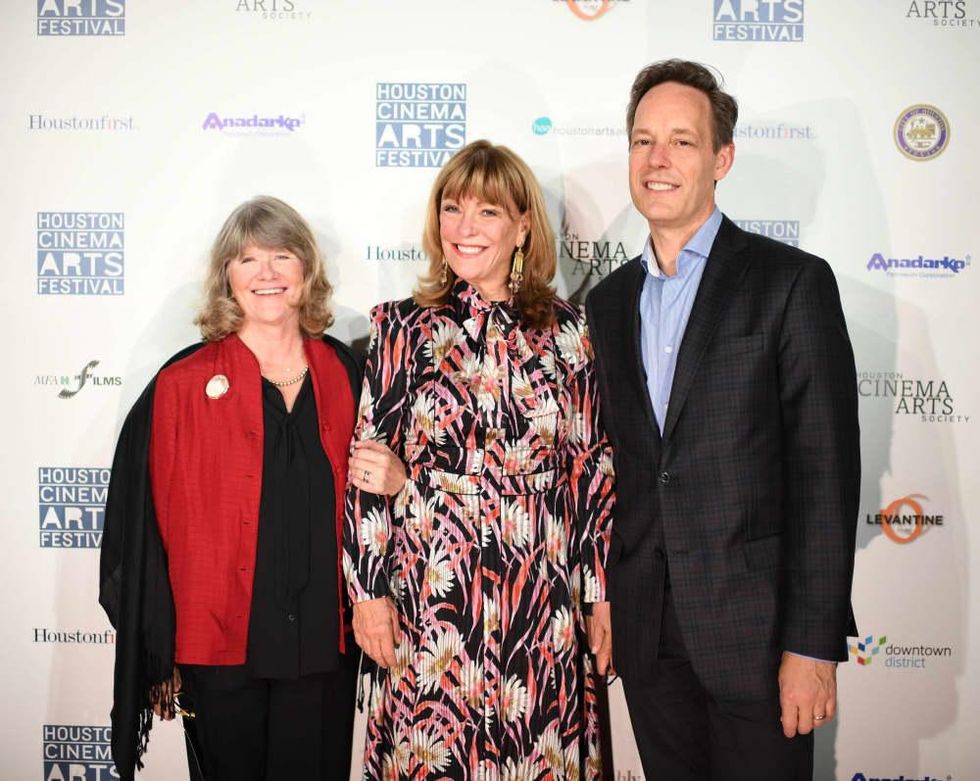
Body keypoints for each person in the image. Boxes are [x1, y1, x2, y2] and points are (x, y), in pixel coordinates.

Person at [584, 60, 861, 780]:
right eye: (644, 141)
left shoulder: (790, 282)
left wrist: (812, 645)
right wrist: (608, 593)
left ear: (722, 159)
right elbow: (620, 468)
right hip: (650, 638)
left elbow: (825, 475)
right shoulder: (607, 303)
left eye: (681, 140)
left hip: (759, 639)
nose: (658, 160)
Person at [98, 196, 404, 780]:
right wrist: (159, 641)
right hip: (218, 648)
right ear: (227, 279)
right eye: (247, 259)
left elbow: (392, 505)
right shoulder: (180, 386)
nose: (266, 273)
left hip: (324, 643)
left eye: (282, 256)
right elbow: (137, 526)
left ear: (306, 271)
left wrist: (400, 478)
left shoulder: (351, 375)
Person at [343, 140, 615, 779]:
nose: (465, 228)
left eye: (488, 212)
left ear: (523, 224)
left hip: (541, 612)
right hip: (429, 609)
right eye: (453, 208)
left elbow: (592, 470)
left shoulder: (572, 334)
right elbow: (366, 476)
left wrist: (600, 594)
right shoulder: (401, 331)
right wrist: (367, 595)